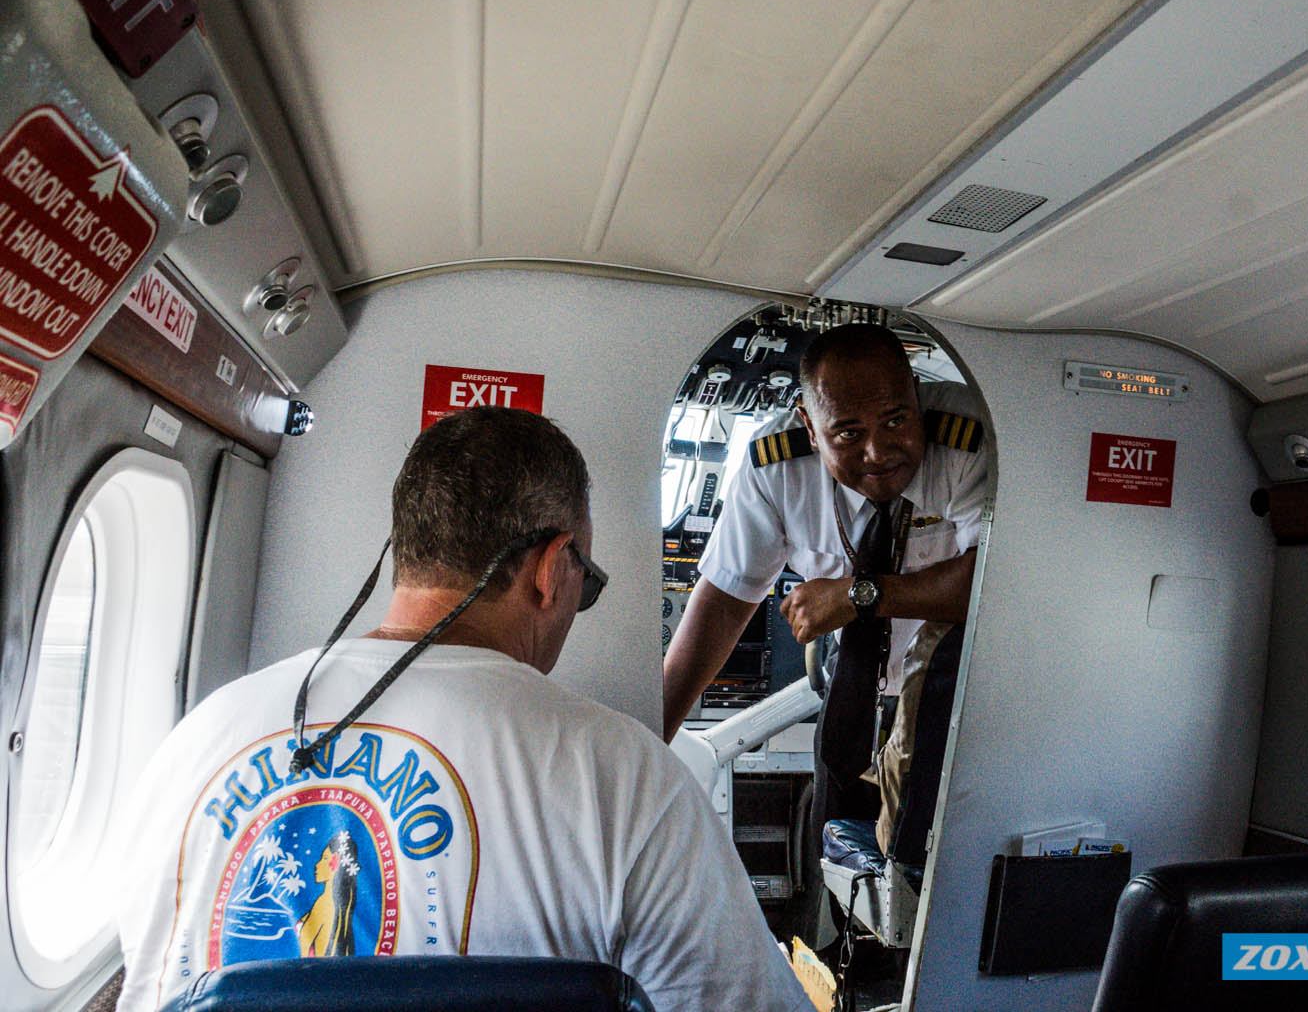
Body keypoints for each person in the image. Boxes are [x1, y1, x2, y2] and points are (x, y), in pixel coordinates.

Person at [115, 407, 813, 1012]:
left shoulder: (194, 741)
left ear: (408, 550)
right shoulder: (626, 778)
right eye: (586, 583)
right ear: (551, 566)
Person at [661, 324, 989, 842]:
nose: (879, 452)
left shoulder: (967, 440)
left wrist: (860, 596)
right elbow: (722, 607)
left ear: (917, 402)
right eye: (849, 434)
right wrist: (647, 743)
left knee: (921, 846)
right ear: (810, 429)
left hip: (953, 687)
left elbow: (995, 581)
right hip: (852, 682)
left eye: (896, 420)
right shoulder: (776, 467)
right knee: (831, 833)